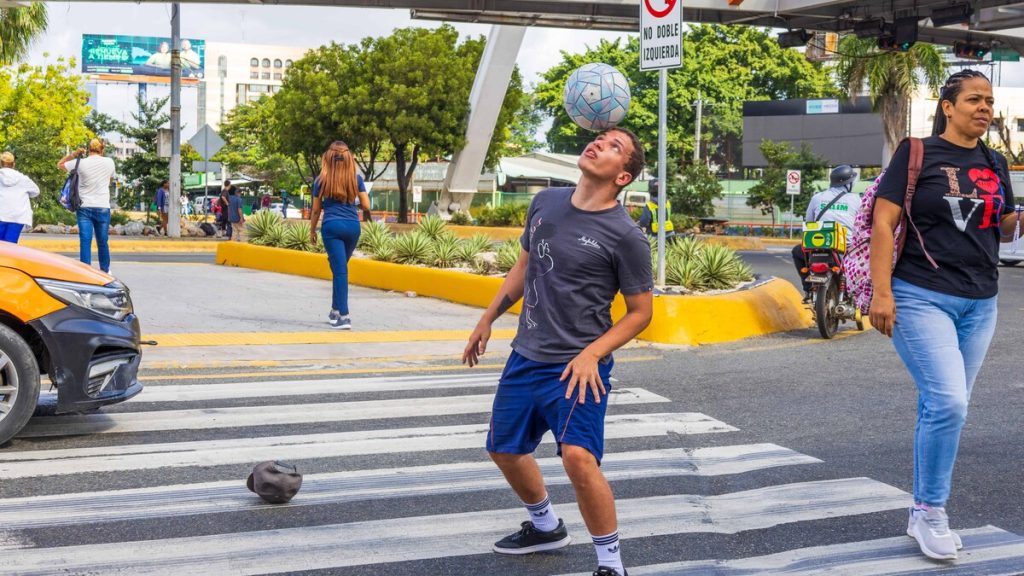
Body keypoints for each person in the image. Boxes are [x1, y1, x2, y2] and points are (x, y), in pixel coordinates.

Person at [462, 128, 653, 576]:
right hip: (526, 354)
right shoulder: (545, 203)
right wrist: (487, 318)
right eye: (601, 138)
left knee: (578, 458)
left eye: (613, 147)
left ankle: (611, 564)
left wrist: (592, 355)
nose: (599, 145)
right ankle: (546, 525)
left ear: (623, 176)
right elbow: (523, 265)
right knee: (504, 448)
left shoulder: (625, 236)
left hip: (577, 365)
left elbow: (640, 313)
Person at [869, 70, 1017, 562]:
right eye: (974, 99)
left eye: (989, 101)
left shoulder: (995, 161)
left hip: (981, 301)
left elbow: (1007, 229)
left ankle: (920, 510)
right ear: (947, 107)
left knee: (945, 406)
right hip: (919, 295)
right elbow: (884, 224)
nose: (984, 107)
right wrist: (882, 293)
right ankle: (931, 511)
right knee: (948, 402)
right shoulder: (916, 152)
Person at [308, 141, 371, 330]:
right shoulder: (356, 178)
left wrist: (312, 230)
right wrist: (352, 207)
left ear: (328, 158)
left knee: (340, 270)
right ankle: (335, 310)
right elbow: (367, 206)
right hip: (353, 227)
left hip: (332, 227)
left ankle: (344, 316)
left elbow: (316, 210)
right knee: (339, 268)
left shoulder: (320, 180)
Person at [791, 165, 861, 301]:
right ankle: (856, 293)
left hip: (818, 244)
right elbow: (862, 223)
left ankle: (808, 290)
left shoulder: (817, 197)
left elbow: (809, 222)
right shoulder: (856, 199)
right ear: (849, 183)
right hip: (845, 246)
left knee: (797, 252)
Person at [58, 139, 116, 273]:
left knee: (85, 241)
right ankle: (105, 270)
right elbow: (109, 180)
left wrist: (74, 153)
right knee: (102, 241)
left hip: (84, 207)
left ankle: (86, 272)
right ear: (102, 150)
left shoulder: (80, 163)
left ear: (88, 149)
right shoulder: (109, 162)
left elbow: (60, 164)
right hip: (102, 206)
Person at [0, 152, 40, 243]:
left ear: (1, 163)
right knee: (11, 246)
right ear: (13, 164)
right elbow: (36, 191)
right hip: (17, 216)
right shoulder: (23, 179)